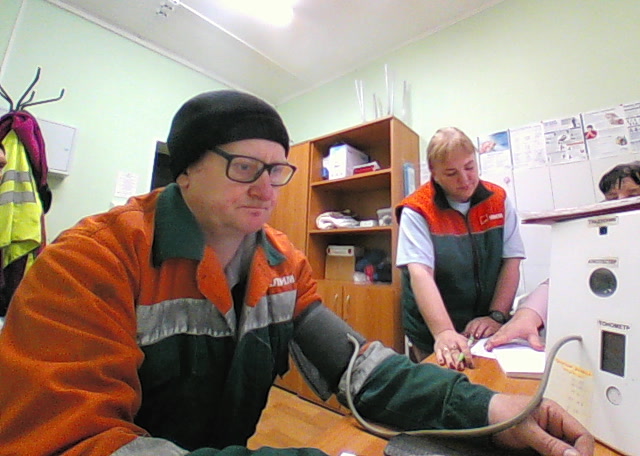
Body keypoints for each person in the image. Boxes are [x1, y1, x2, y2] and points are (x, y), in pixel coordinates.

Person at [0, 91, 593, 456]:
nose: (267, 188)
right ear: (184, 171)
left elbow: (360, 370)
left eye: (278, 170)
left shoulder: (282, 263)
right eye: (244, 166)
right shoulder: (89, 262)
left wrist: (489, 411)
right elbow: (70, 442)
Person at [395, 127, 525, 369]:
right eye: (451, 173)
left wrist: (496, 315)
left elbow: (512, 261)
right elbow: (420, 273)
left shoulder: (498, 199)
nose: (464, 180)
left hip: (484, 326)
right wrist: (443, 331)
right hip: (431, 330)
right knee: (441, 386)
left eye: (469, 167)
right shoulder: (417, 209)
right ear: (434, 173)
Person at [486, 161, 640, 351]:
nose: (621, 204)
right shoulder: (601, 240)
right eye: (612, 198)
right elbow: (564, 279)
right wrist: (526, 317)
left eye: (633, 195)